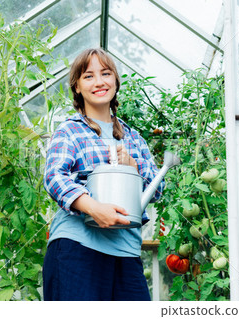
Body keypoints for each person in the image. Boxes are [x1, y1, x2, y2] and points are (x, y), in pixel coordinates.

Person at [42, 48, 164, 301]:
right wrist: (93, 208)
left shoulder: (134, 138)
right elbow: (55, 177)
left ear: (116, 81)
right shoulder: (69, 131)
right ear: (77, 87)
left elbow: (158, 189)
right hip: (77, 248)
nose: (99, 82)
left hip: (126, 252)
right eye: (88, 76)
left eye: (106, 73)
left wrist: (134, 168)